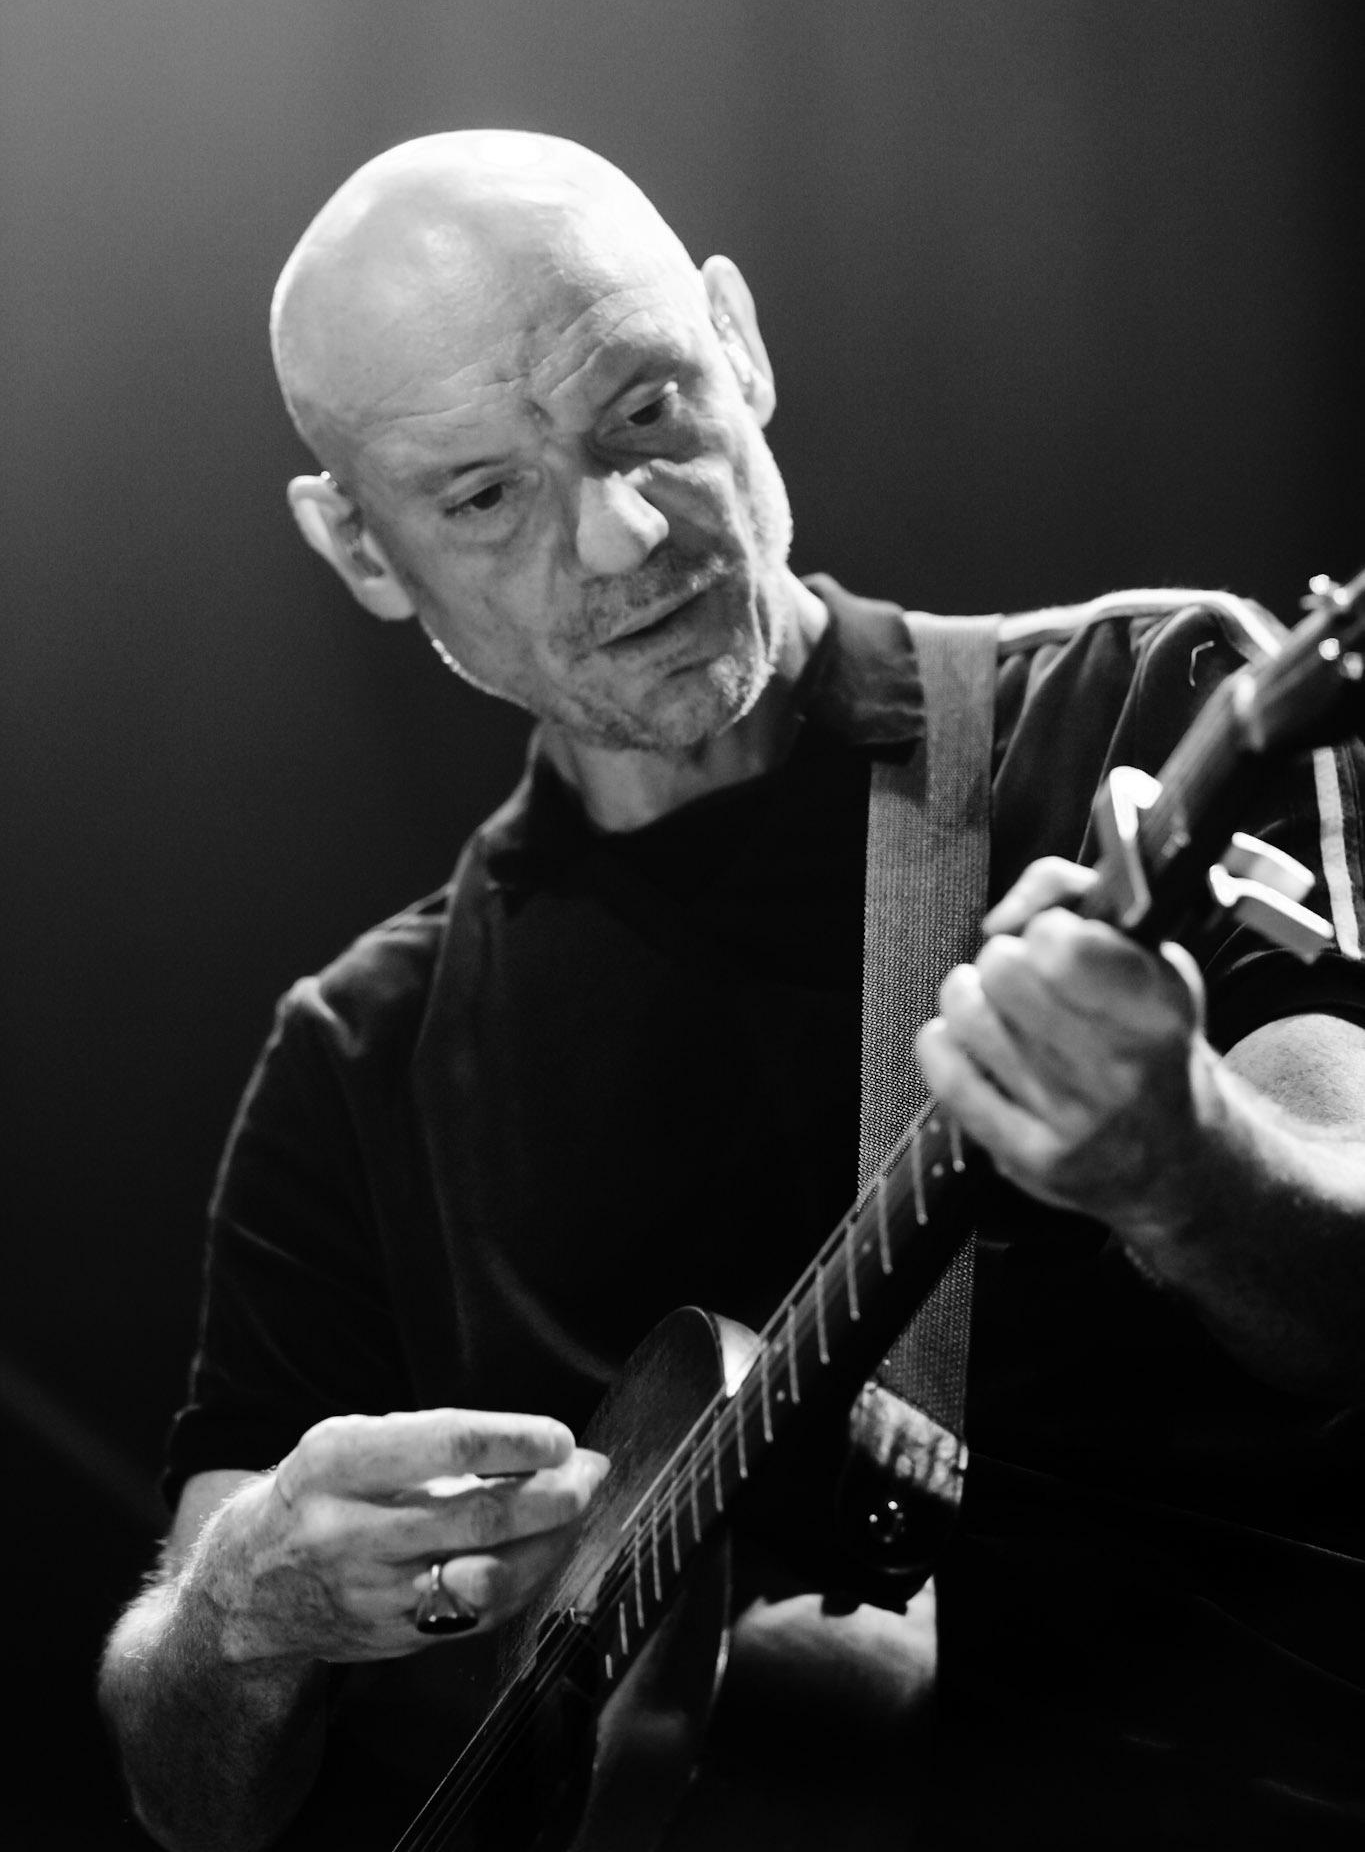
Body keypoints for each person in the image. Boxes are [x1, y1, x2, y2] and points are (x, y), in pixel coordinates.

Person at [99, 131, 1365, 1851]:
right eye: (481, 494)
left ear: (736, 343)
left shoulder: (1136, 708)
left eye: (642, 408)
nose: (623, 536)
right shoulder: (361, 1053)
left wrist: (1183, 1157)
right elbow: (190, 1798)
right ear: (362, 548)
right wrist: (244, 1614)